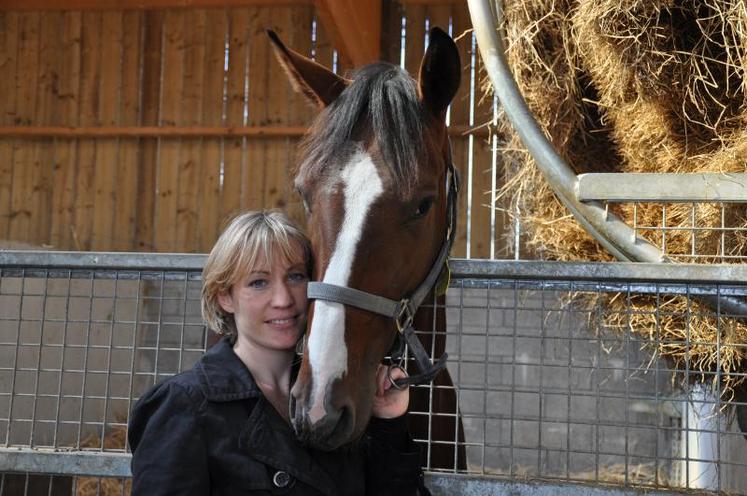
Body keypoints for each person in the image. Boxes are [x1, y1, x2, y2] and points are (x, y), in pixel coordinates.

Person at [128, 210, 426, 495]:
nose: (283, 300)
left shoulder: (333, 394)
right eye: (259, 283)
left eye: (296, 277)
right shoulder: (183, 406)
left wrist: (389, 422)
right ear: (225, 297)